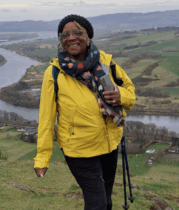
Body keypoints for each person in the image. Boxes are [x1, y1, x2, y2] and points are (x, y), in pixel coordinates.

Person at [33, 14, 136, 210]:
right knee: (96, 203)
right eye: (65, 35)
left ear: (88, 36)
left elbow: (131, 93)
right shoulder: (54, 73)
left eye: (77, 32)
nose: (71, 38)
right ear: (61, 41)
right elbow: (46, 119)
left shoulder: (107, 63)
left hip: (109, 144)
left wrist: (120, 96)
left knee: (105, 200)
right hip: (78, 149)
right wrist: (42, 158)